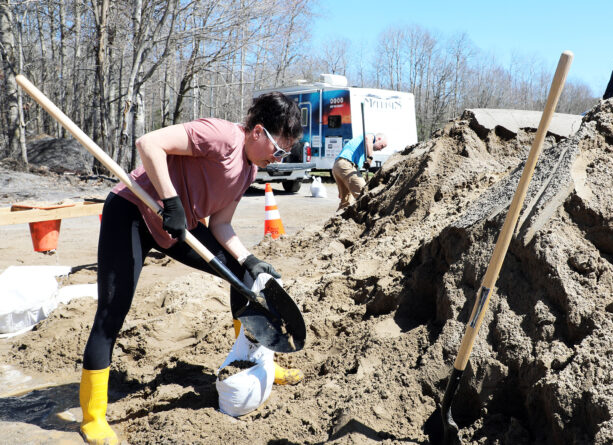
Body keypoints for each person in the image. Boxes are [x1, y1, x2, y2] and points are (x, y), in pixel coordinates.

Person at [79, 93, 305, 445]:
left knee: (243, 275)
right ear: (259, 132)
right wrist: (170, 202)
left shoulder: (249, 170)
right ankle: (93, 417)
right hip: (134, 211)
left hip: (178, 224)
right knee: (112, 310)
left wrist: (248, 259)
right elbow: (149, 143)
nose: (279, 158)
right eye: (279, 149)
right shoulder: (220, 136)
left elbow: (221, 226)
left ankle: (255, 359)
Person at [332, 132, 388, 211]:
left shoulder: (362, 149)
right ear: (378, 139)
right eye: (382, 146)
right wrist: (370, 157)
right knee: (364, 193)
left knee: (346, 202)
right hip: (345, 165)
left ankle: (337, 222)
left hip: (338, 166)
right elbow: (368, 138)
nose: (380, 149)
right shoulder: (370, 136)